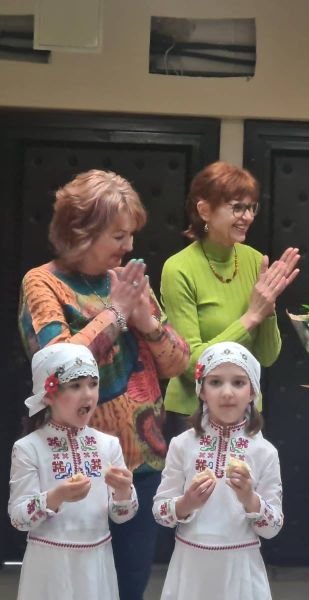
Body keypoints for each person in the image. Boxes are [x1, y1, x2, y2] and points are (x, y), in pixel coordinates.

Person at [17, 170, 190, 600]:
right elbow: (58, 364)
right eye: (118, 235)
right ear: (81, 232)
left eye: (131, 235)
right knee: (73, 586)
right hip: (71, 468)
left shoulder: (126, 281)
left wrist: (146, 321)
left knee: (129, 585)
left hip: (141, 464)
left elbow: (178, 363)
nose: (129, 246)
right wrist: (116, 313)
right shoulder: (42, 282)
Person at [160, 161, 300, 437]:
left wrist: (268, 307)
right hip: (192, 413)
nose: (247, 217)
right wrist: (251, 316)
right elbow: (191, 365)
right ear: (204, 211)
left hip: (246, 411)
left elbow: (267, 357)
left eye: (251, 207)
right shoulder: (178, 268)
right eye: (237, 207)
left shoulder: (254, 260)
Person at [153, 342, 283, 600]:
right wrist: (186, 503)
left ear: (253, 391)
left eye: (238, 382)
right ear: (201, 390)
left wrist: (249, 498)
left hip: (241, 569)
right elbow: (160, 513)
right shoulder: (182, 445)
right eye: (215, 382)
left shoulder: (264, 452)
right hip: (191, 568)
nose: (227, 393)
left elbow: (272, 527)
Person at [9, 343, 137, 599]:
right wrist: (55, 497)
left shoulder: (108, 445)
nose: (88, 394)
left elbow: (122, 516)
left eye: (93, 384)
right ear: (49, 395)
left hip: (97, 563)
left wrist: (124, 491)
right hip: (49, 565)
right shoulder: (28, 448)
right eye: (76, 386)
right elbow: (19, 519)